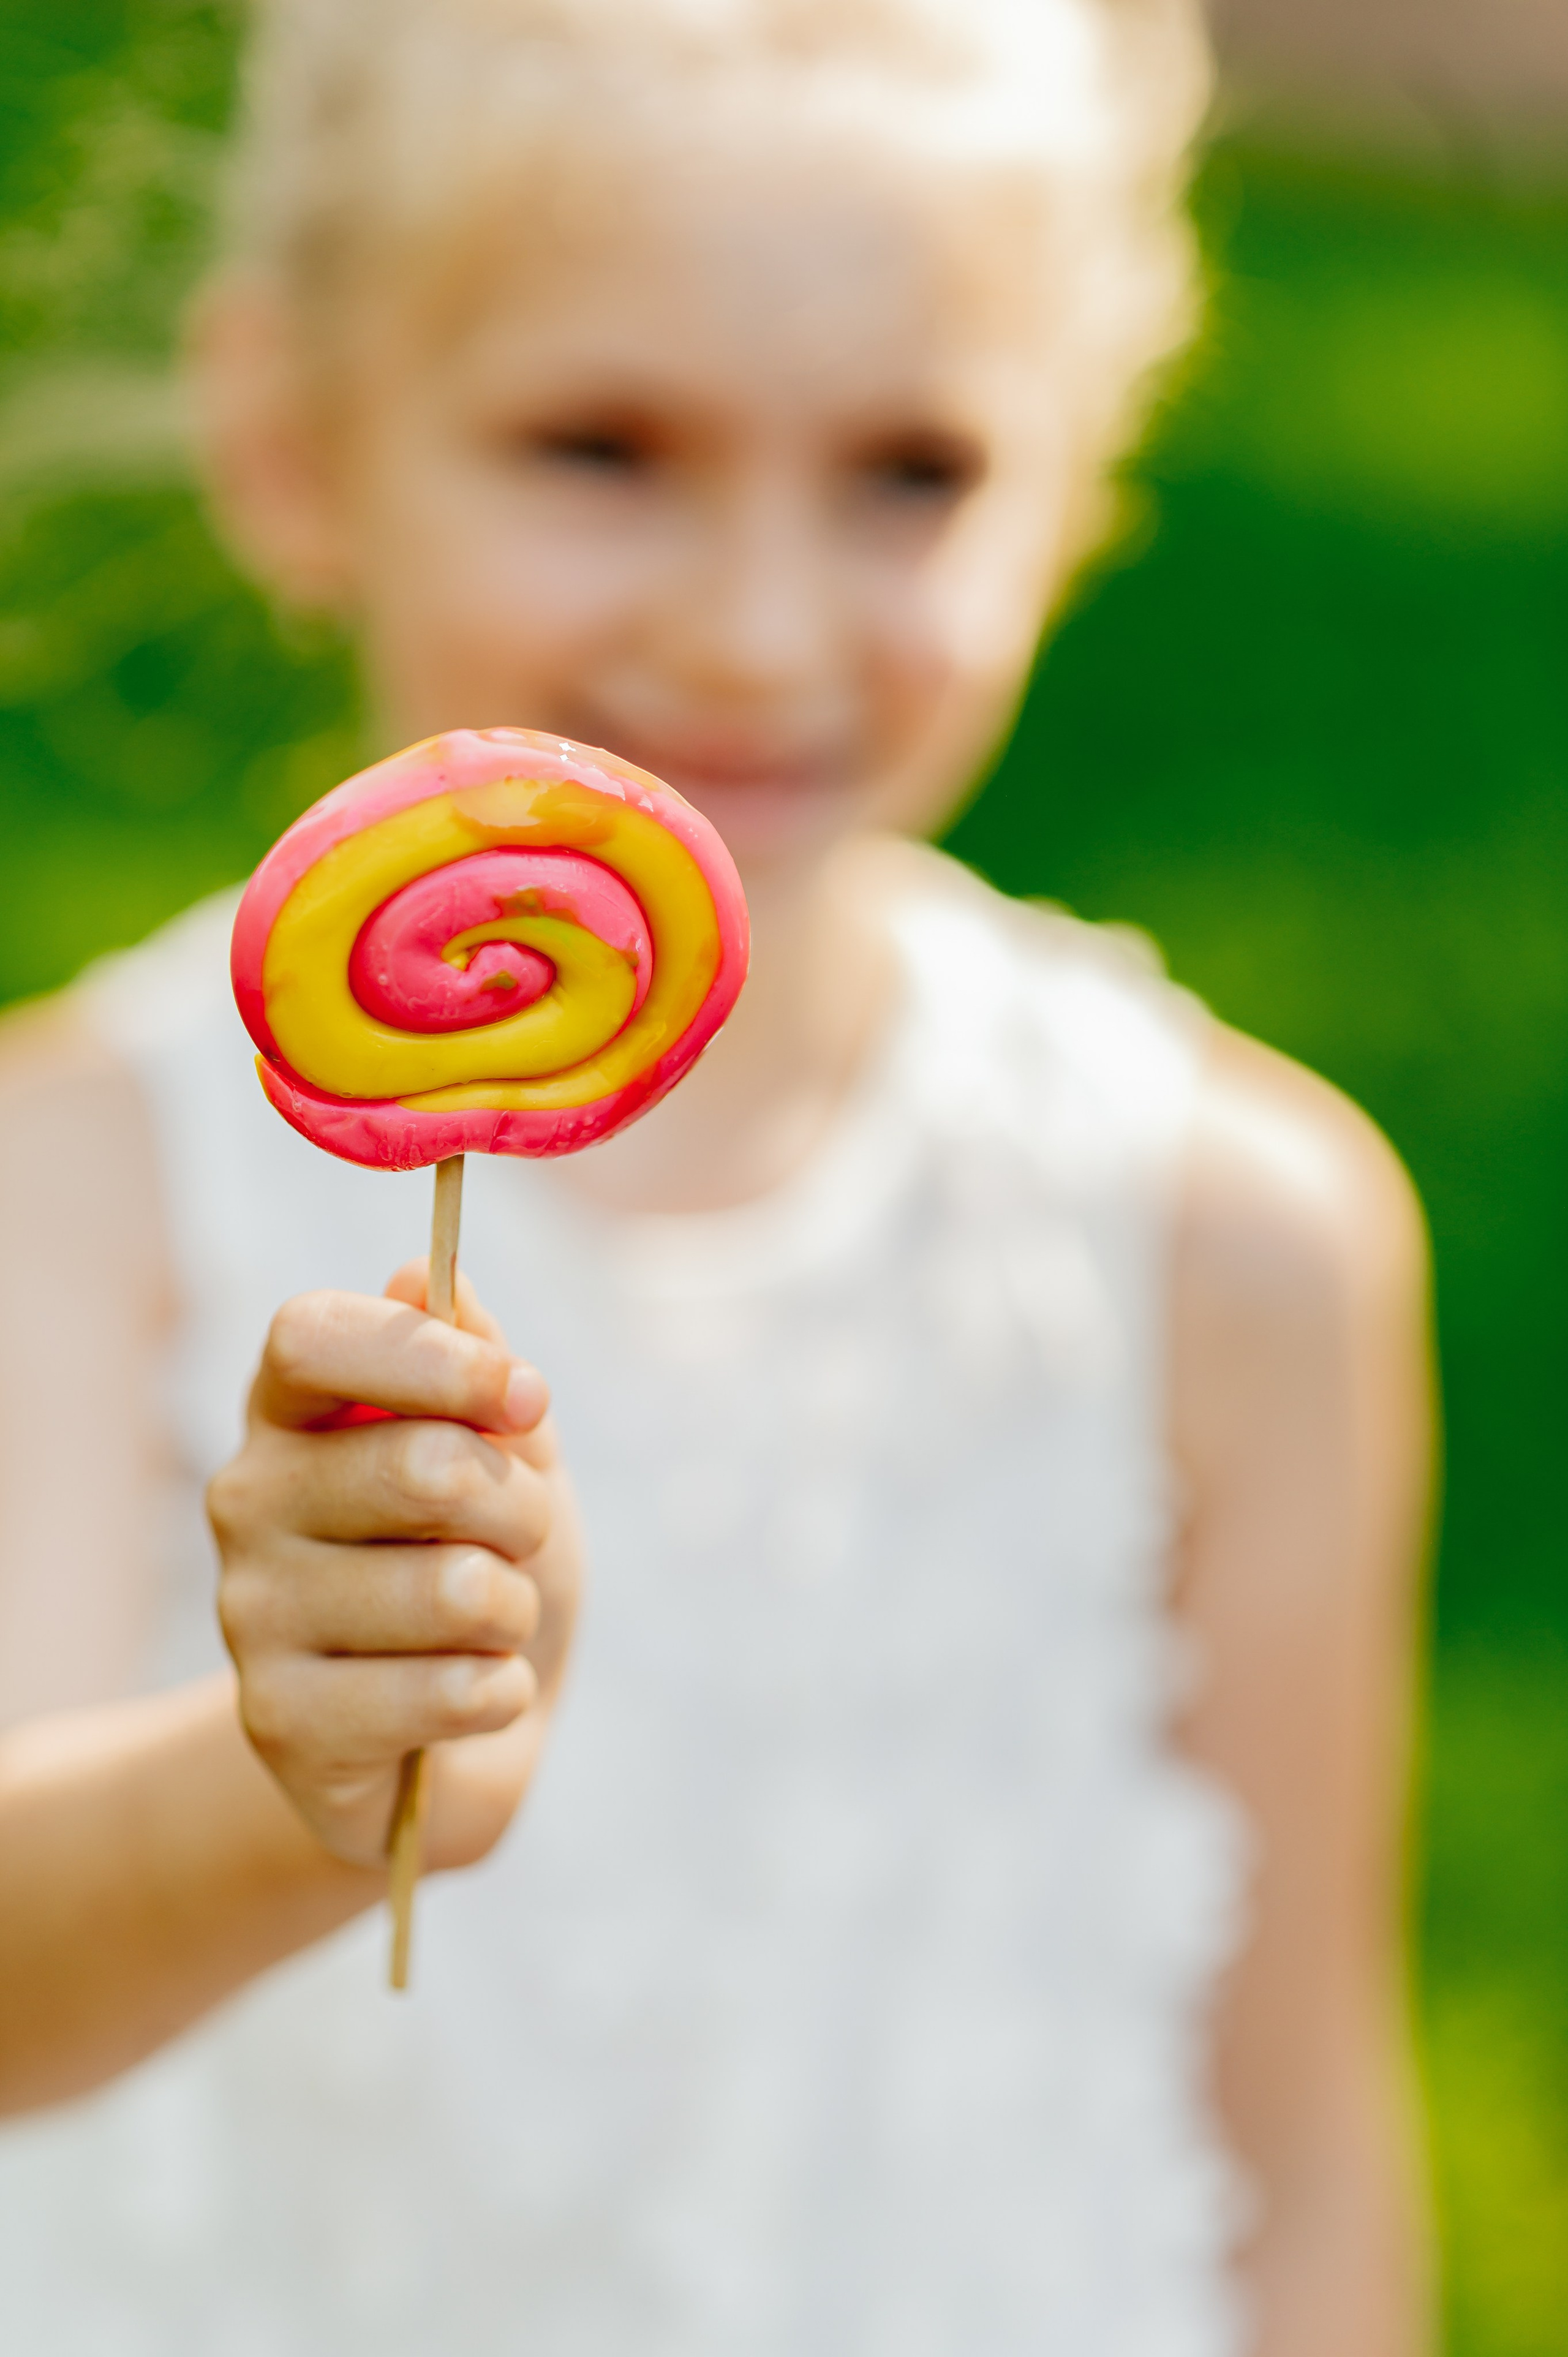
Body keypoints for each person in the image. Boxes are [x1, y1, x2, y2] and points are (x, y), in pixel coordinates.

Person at [0, 1, 1434, 2349]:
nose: (759, 628)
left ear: (1081, 485)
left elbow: (1299, 2161)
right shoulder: (73, 1192)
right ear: (293, 439)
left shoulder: (1234, 1243)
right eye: (601, 445)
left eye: (910, 472)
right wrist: (307, 1780)